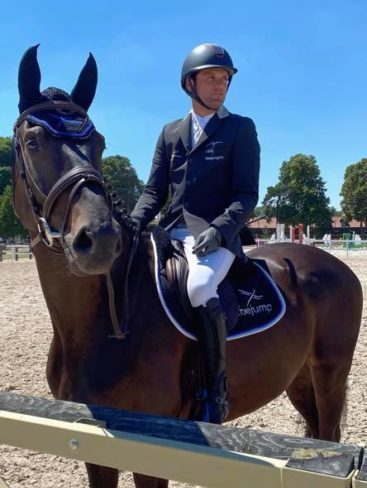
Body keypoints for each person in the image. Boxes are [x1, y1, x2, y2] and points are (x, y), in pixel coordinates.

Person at [131, 43, 260, 423]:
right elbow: (154, 192)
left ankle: (214, 390)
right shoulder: (170, 133)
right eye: (211, 78)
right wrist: (133, 223)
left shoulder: (239, 128)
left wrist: (221, 231)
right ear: (190, 83)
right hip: (170, 232)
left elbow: (246, 195)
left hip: (216, 236)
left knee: (200, 288)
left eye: (224, 79)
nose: (220, 85)